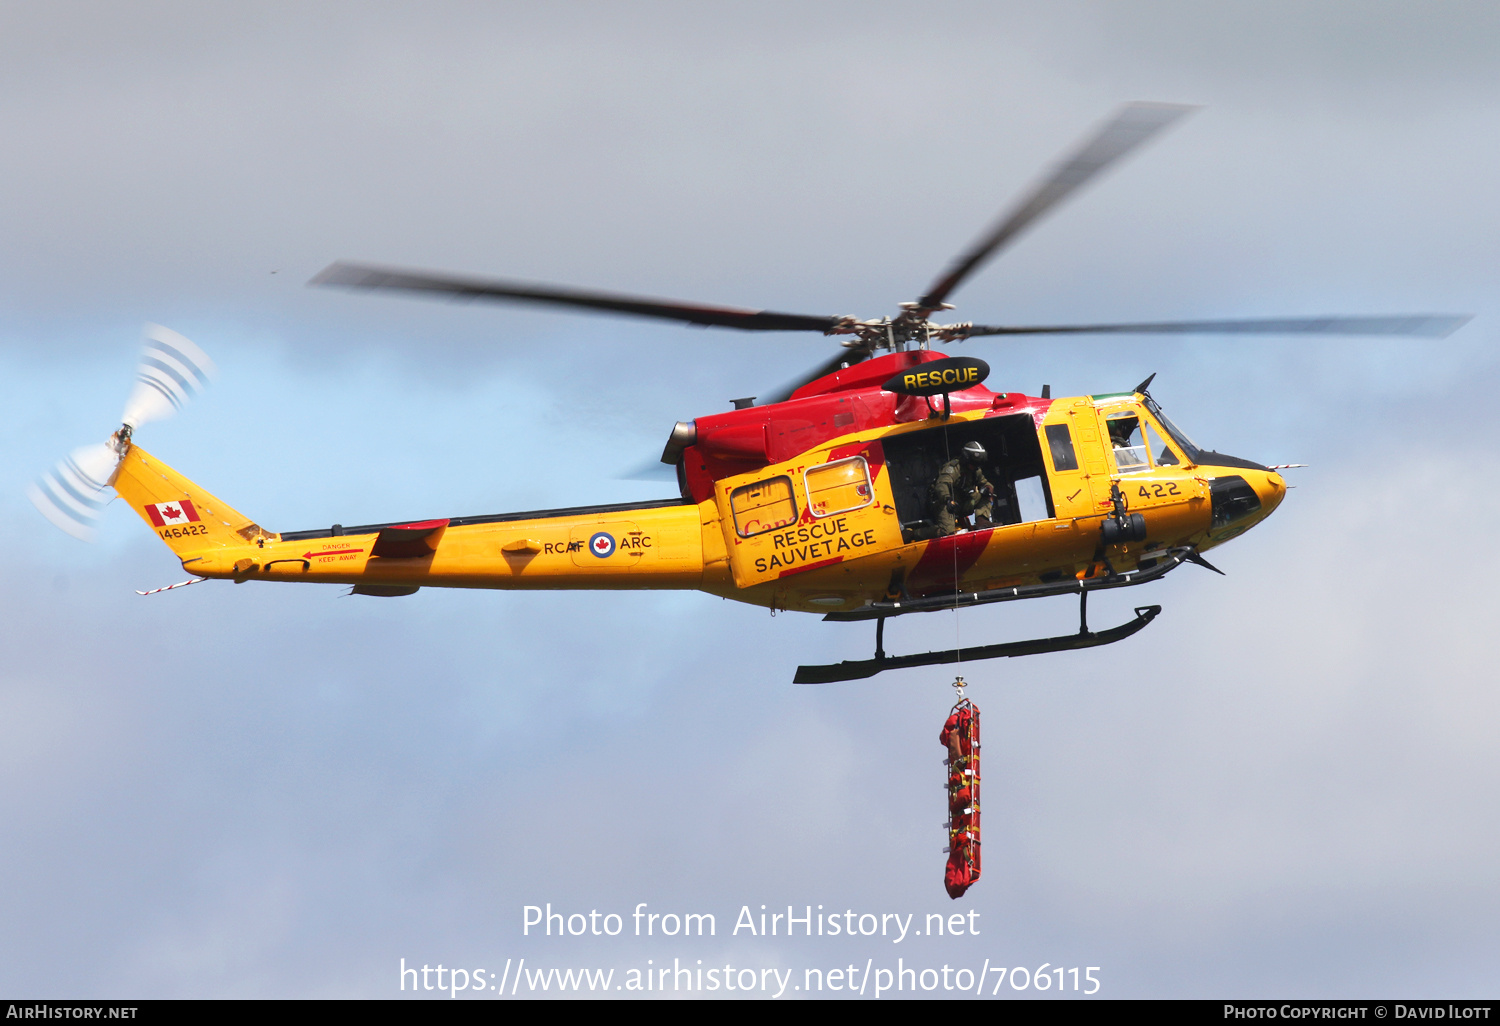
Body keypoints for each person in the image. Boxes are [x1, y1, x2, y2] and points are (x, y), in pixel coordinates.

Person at [929, 441, 995, 536]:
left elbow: (985, 483)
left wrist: (988, 489)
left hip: (961, 502)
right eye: (973, 463)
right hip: (945, 504)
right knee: (946, 532)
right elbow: (942, 485)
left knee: (985, 494)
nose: (975, 467)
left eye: (977, 464)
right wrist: (947, 499)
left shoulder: (975, 470)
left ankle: (982, 521)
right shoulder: (953, 468)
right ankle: (916, 533)